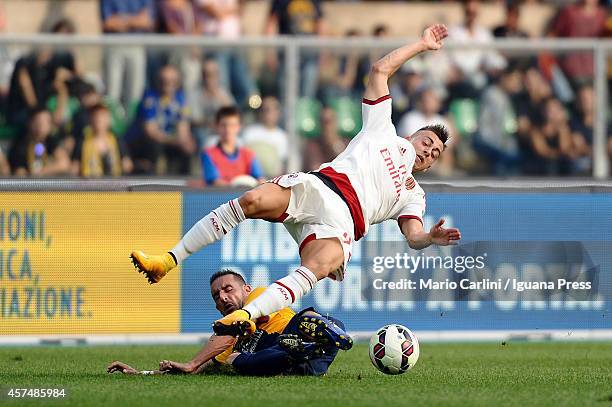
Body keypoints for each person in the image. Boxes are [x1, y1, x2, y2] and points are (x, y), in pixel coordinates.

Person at [131, 24, 461, 337]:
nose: (429, 151)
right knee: (251, 200)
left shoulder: (414, 196)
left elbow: (413, 236)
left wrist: (430, 237)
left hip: (343, 222)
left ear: (431, 166)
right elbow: (379, 70)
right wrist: (422, 45)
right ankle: (166, 261)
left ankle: (245, 316)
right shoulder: (383, 130)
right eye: (426, 142)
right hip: (318, 187)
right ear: (411, 136)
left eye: (435, 154)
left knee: (319, 266)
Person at [108, 269, 350, 376]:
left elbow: (232, 328)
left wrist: (192, 363)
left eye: (228, 289)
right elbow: (200, 368)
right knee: (236, 360)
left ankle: (308, 338)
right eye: (216, 295)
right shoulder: (226, 343)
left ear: (246, 289)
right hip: (295, 364)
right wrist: (141, 373)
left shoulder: (260, 295)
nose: (223, 297)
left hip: (292, 331)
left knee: (314, 323)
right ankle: (302, 350)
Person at [126, 65, 195, 175]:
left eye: (172, 81)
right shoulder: (149, 98)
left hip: (168, 140)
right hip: (143, 141)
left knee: (187, 148)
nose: (167, 84)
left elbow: (183, 127)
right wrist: (174, 141)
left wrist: (183, 141)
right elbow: (150, 131)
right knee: (155, 147)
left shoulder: (180, 98)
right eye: (164, 80)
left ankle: (184, 184)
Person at [100, 0, 154, 107]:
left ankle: (131, 122)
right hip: (114, 45)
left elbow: (146, 21)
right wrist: (134, 20)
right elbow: (108, 23)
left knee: (135, 92)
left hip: (136, 45)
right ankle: (113, 122)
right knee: (112, 91)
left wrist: (121, 20)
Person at [200, 106, 264, 186]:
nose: (228, 129)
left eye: (232, 125)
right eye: (224, 125)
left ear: (239, 127)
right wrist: (237, 187)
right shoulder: (209, 154)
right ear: (216, 126)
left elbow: (260, 179)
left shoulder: (249, 154)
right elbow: (214, 182)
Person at [71, 103, 133, 177]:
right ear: (90, 119)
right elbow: (74, 168)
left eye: (102, 116)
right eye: (96, 116)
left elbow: (127, 164)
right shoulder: (83, 141)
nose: (99, 119)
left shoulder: (116, 139)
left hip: (114, 185)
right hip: (89, 185)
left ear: (108, 119)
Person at [8, 108, 70, 176]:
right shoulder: (20, 144)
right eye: (38, 121)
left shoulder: (51, 140)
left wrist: (41, 172)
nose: (41, 125)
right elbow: (19, 172)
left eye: (46, 122)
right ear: (30, 122)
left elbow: (64, 163)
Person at [242, 96, 289, 177]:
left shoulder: (282, 136)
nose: (269, 113)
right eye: (265, 109)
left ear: (278, 113)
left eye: (273, 109)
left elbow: (282, 164)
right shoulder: (249, 132)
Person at [303, 107, 348, 172]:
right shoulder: (313, 146)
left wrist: (335, 145)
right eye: (323, 121)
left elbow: (346, 167)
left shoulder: (346, 144)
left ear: (336, 121)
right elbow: (314, 169)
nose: (327, 126)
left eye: (329, 121)